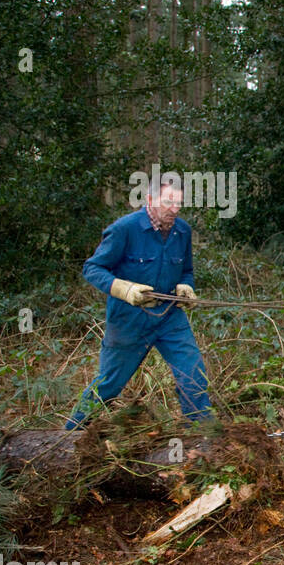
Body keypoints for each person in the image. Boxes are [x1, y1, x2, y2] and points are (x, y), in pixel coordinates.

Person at [66, 180, 213, 429]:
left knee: (193, 373)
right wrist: (124, 289)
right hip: (129, 320)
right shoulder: (125, 229)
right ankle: (70, 436)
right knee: (109, 384)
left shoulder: (182, 231)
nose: (175, 209)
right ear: (150, 200)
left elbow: (186, 270)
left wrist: (186, 286)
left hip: (170, 318)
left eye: (179, 203)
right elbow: (92, 268)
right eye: (168, 201)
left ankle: (203, 435)